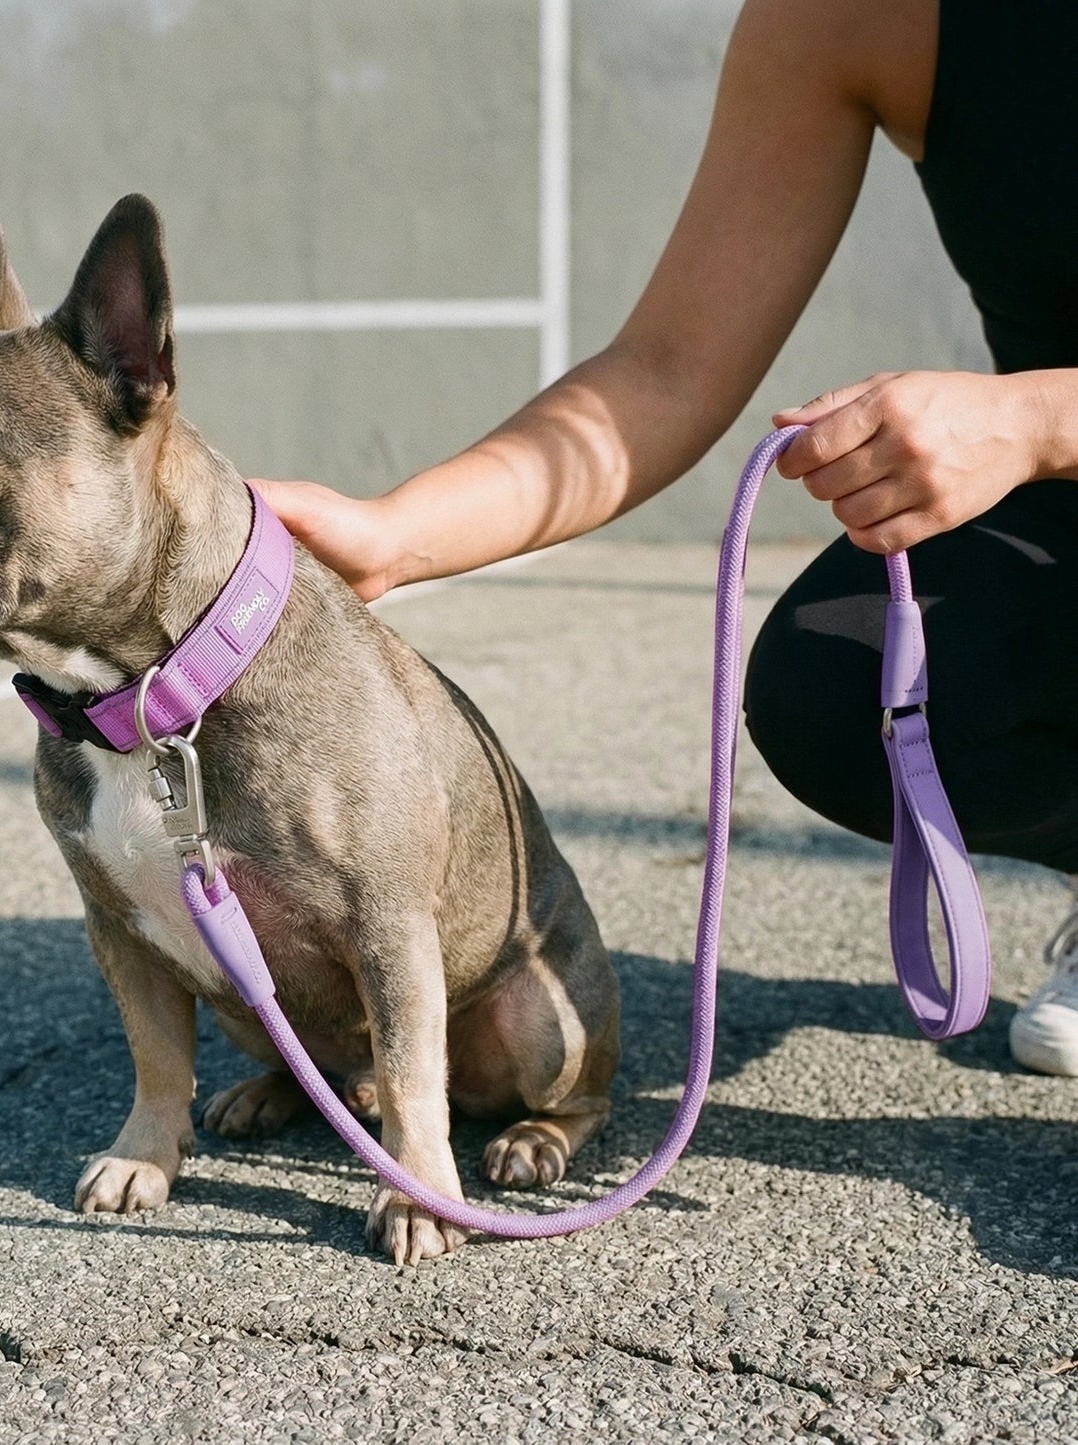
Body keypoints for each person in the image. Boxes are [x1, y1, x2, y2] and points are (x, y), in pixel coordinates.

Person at [252, 0, 1078, 1075]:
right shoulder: (852, 18)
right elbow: (665, 371)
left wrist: (1034, 418)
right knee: (839, 677)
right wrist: (392, 535)